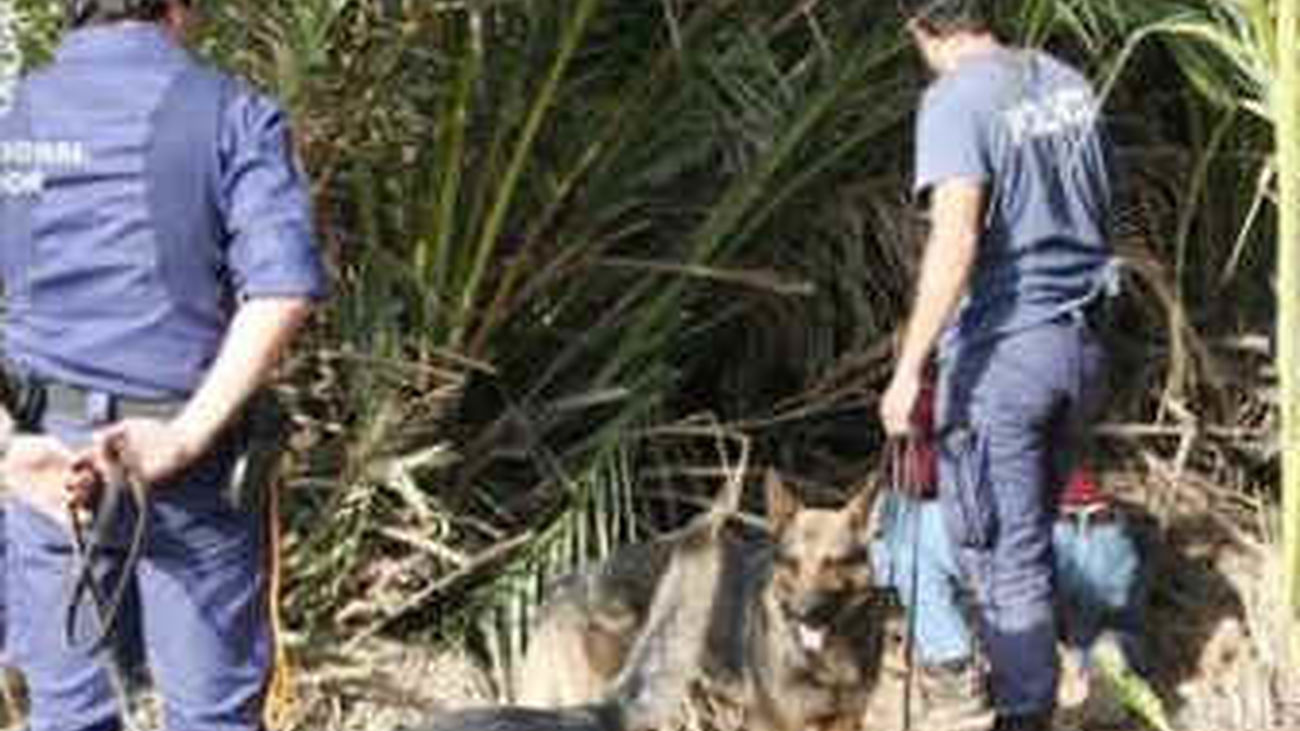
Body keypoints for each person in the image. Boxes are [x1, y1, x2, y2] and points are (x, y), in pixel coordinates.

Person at [0, 1, 325, 730]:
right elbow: (282, 287)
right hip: (188, 473)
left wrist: (9, 447)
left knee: (67, 715)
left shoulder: (15, 120)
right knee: (211, 717)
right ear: (179, 9)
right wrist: (183, 437)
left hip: (50, 472)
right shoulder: (231, 111)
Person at [880, 0, 1117, 728]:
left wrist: (909, 367)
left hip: (1003, 360)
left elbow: (956, 239)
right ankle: (1047, 687)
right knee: (1029, 540)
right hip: (1081, 347)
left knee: (999, 561)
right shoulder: (1066, 81)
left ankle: (1023, 712)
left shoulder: (954, 100)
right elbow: (1110, 210)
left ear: (922, 28)